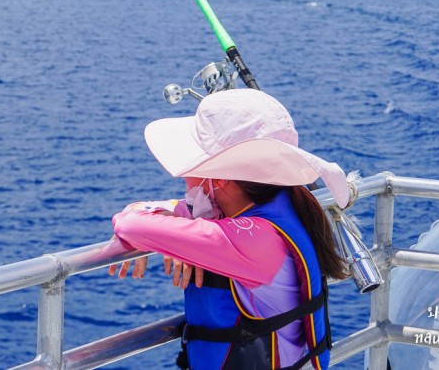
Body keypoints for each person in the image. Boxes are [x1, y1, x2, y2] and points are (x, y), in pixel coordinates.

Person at [107, 88, 352, 370]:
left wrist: (158, 238)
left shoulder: (253, 242)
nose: (184, 176)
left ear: (220, 177)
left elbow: (131, 224)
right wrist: (171, 233)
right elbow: (144, 210)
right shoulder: (275, 207)